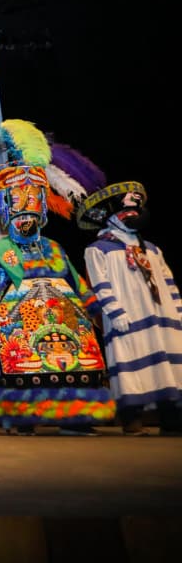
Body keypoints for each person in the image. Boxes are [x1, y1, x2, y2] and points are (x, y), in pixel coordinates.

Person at [0, 120, 112, 435]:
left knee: (77, 365)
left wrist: (91, 304)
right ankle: (24, 417)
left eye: (33, 210)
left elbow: (76, 281)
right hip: (19, 318)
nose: (27, 217)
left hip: (66, 314)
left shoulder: (53, 247)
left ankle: (76, 417)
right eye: (20, 212)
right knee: (23, 362)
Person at [79, 181, 182, 435]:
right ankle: (132, 416)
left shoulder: (153, 250)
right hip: (127, 316)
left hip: (162, 316)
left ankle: (170, 416)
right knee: (129, 361)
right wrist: (115, 311)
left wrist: (178, 310)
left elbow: (168, 281)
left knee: (166, 364)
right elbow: (99, 284)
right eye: (126, 212)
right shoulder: (98, 249)